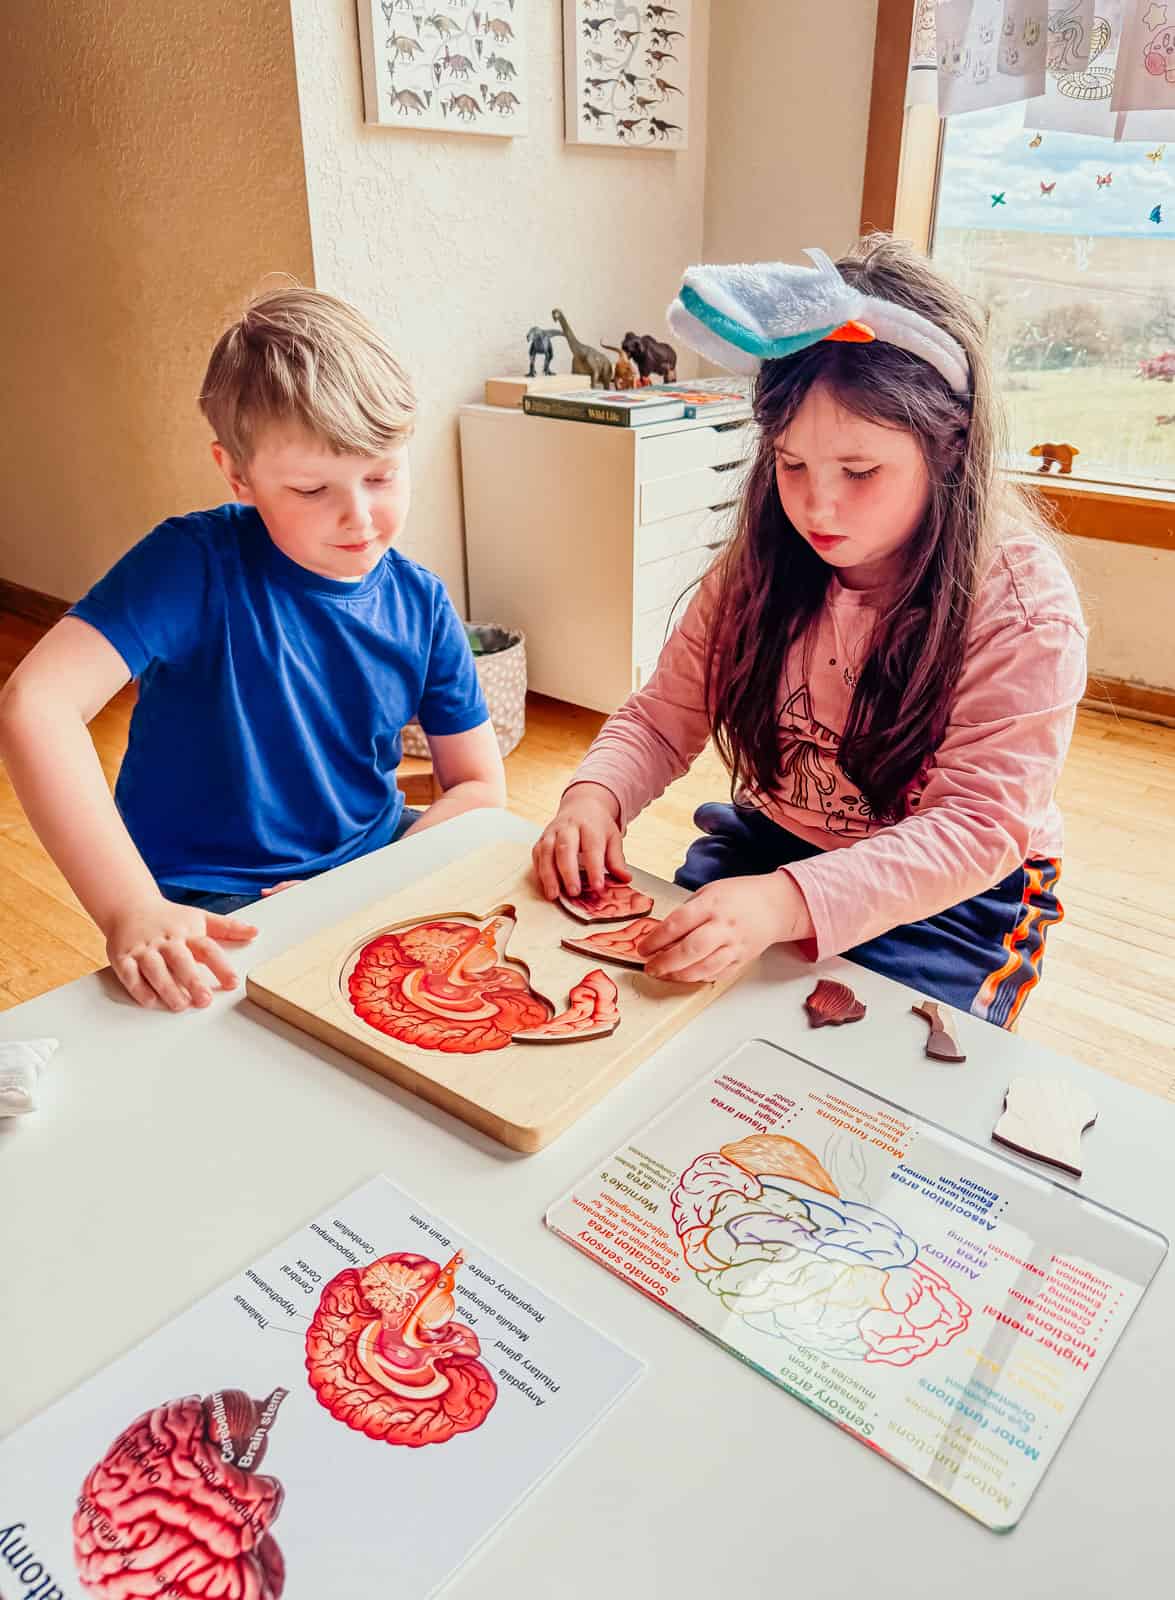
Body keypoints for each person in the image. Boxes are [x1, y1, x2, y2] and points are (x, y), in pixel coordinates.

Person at [533, 236, 1086, 1028]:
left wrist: (787, 904)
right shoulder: (758, 568)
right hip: (773, 843)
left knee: (882, 1058)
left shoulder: (1022, 609)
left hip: (955, 891)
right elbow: (661, 718)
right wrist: (595, 797)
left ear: (950, 449)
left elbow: (973, 829)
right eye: (790, 464)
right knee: (675, 1017)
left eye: (859, 472)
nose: (816, 507)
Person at [0, 288, 504, 1013]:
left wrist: (369, 881)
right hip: (208, 892)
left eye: (381, 475)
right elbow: (35, 707)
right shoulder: (191, 563)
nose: (359, 516)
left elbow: (478, 786)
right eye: (311, 488)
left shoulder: (421, 603)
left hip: (373, 858)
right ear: (237, 475)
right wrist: (129, 908)